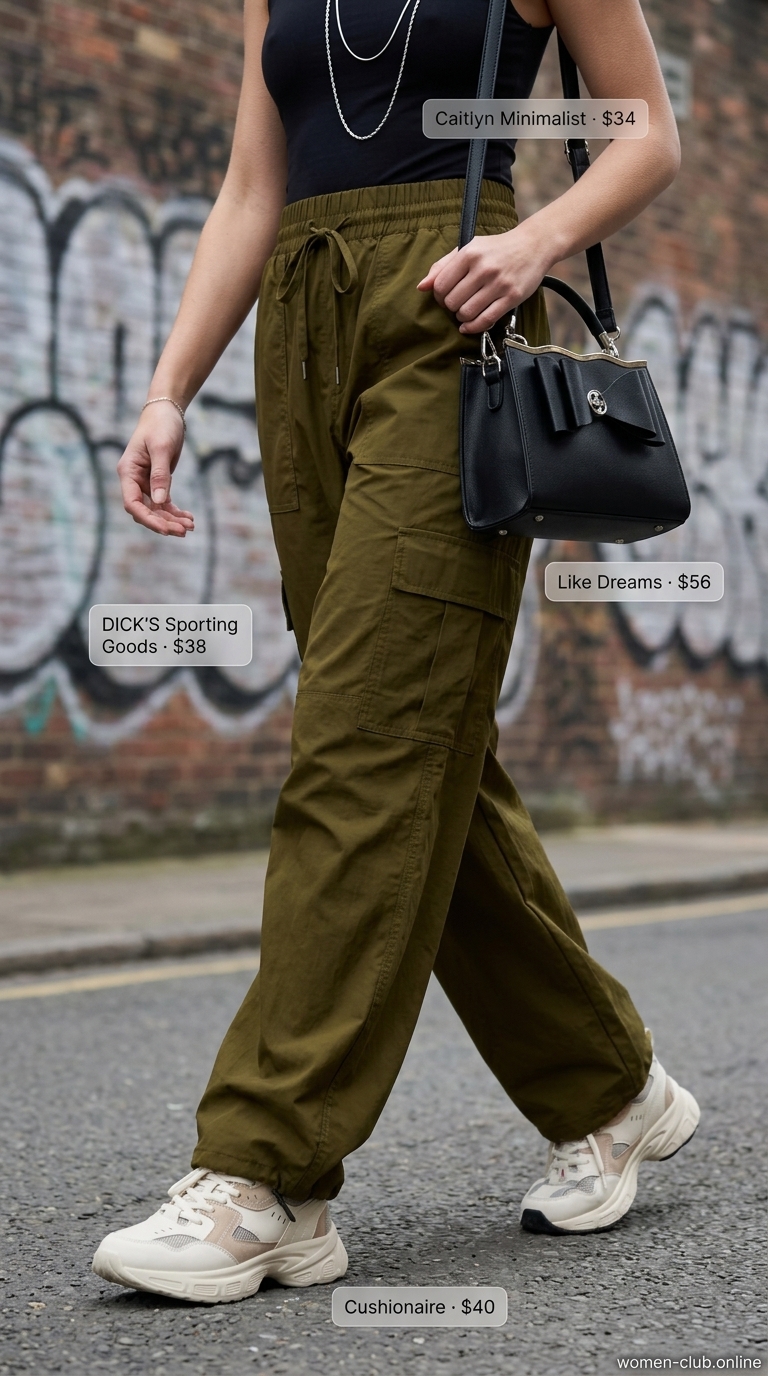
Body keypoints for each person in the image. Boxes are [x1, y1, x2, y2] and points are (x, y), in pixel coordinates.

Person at [93, 0, 700, 1304]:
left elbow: (646, 132)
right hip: (299, 338)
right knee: (415, 741)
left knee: (365, 740)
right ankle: (611, 1089)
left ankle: (268, 1174)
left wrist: (536, 242)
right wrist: (165, 390)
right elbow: (252, 188)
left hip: (453, 327)